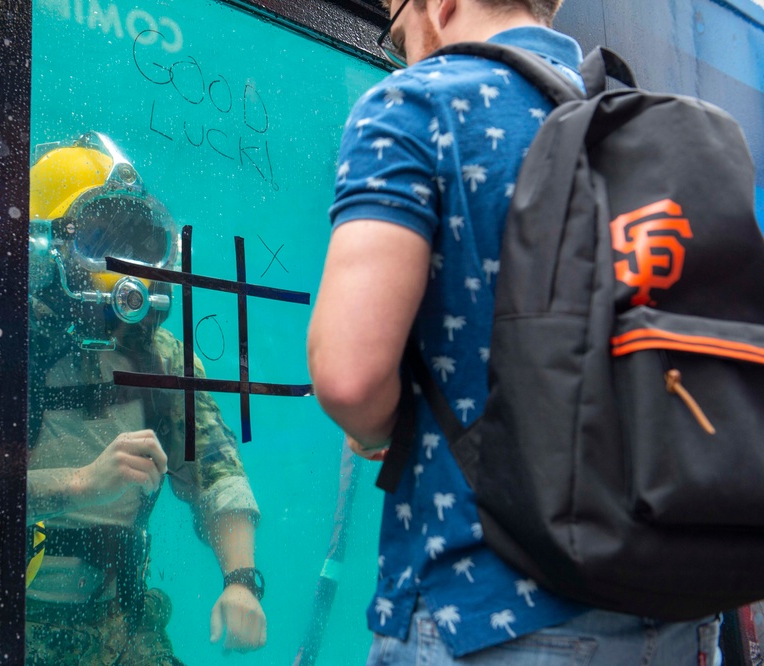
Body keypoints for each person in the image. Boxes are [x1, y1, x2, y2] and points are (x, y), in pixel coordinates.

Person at [307, 1, 721, 664]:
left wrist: (382, 428)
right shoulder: (646, 128)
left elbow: (349, 376)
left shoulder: (416, 105)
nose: (403, 56)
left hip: (489, 614)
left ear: (439, 7)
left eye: (398, 33)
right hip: (677, 619)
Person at [23, 131, 267, 665]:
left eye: (140, 246)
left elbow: (217, 472)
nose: (126, 268)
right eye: (99, 242)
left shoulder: (164, 361)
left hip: (122, 622)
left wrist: (241, 581)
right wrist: (79, 483)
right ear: (44, 247)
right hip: (6, 625)